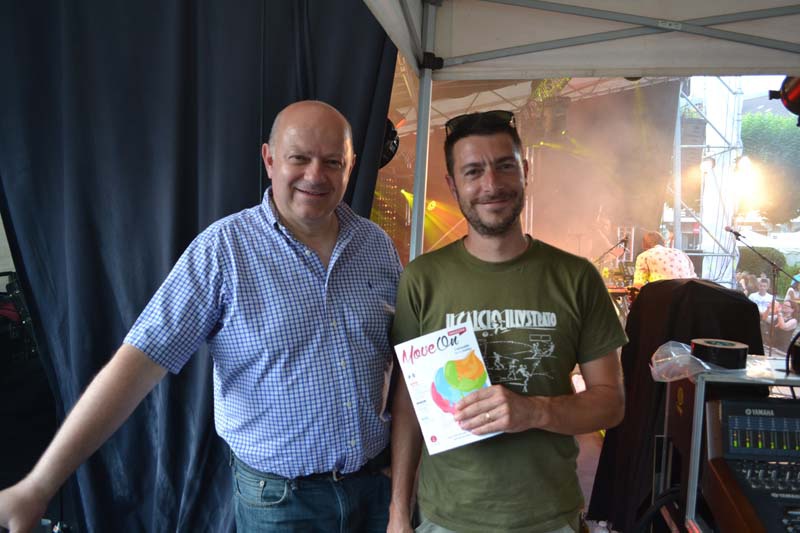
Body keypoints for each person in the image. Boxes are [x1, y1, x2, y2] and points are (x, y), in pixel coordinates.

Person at [0, 100, 402, 533]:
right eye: (298, 158)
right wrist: (39, 485)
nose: (315, 175)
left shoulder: (376, 246)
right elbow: (134, 365)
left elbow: (401, 360)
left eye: (332, 161)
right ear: (269, 159)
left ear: (352, 165)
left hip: (376, 493)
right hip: (283, 506)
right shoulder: (223, 251)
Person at [387, 110, 627, 533]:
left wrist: (532, 411)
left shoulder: (576, 277)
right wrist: (398, 513)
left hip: (548, 518)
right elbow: (408, 403)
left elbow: (610, 403)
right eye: (473, 171)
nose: (491, 185)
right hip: (445, 519)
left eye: (504, 166)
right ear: (452, 185)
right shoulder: (422, 278)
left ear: (525, 171)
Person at [632, 231, 697, 288]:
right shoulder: (681, 253)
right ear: (663, 242)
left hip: (662, 298)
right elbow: (694, 279)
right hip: (686, 298)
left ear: (644, 245)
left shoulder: (644, 256)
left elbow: (638, 285)